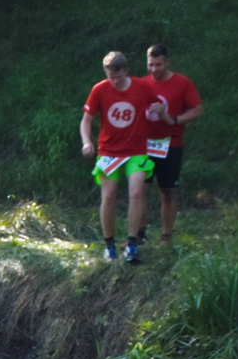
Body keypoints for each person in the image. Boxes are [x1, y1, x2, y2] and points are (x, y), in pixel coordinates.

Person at [80, 50, 168, 264]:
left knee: (137, 192)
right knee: (109, 195)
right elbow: (86, 121)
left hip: (136, 150)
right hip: (109, 151)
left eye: (119, 77)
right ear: (106, 73)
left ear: (126, 71)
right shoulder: (99, 90)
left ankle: (132, 244)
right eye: (112, 77)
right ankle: (109, 245)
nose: (116, 82)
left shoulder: (142, 87)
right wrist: (87, 141)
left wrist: (161, 109)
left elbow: (159, 106)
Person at [143, 44, 203, 245]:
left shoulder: (182, 83)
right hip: (143, 146)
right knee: (139, 189)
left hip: (171, 144)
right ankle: (138, 235)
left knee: (167, 191)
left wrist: (175, 120)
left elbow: (197, 109)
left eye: (158, 65)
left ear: (167, 62)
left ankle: (166, 235)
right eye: (150, 65)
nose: (154, 70)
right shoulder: (141, 84)